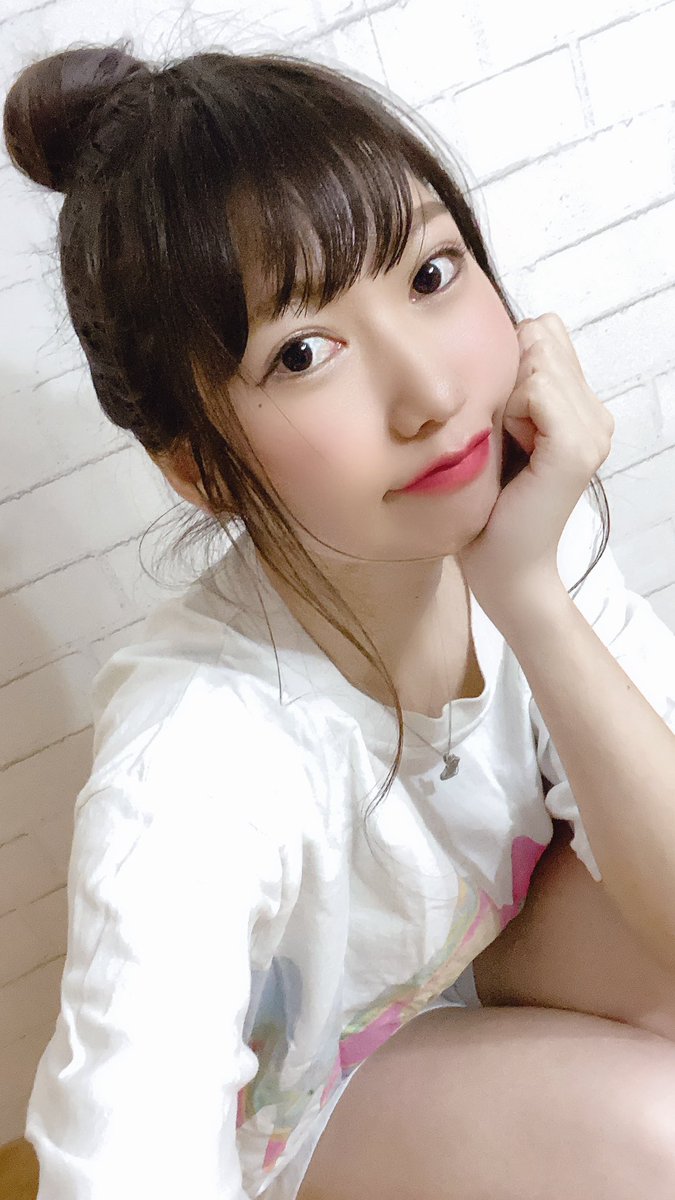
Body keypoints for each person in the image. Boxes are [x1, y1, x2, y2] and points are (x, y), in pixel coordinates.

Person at [4, 42, 675, 1200]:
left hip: (467, 979)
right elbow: (119, 1166)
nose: (432, 394)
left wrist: (528, 595)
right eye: (304, 353)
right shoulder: (195, 753)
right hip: (304, 1108)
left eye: (431, 273)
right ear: (197, 468)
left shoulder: (518, 521)